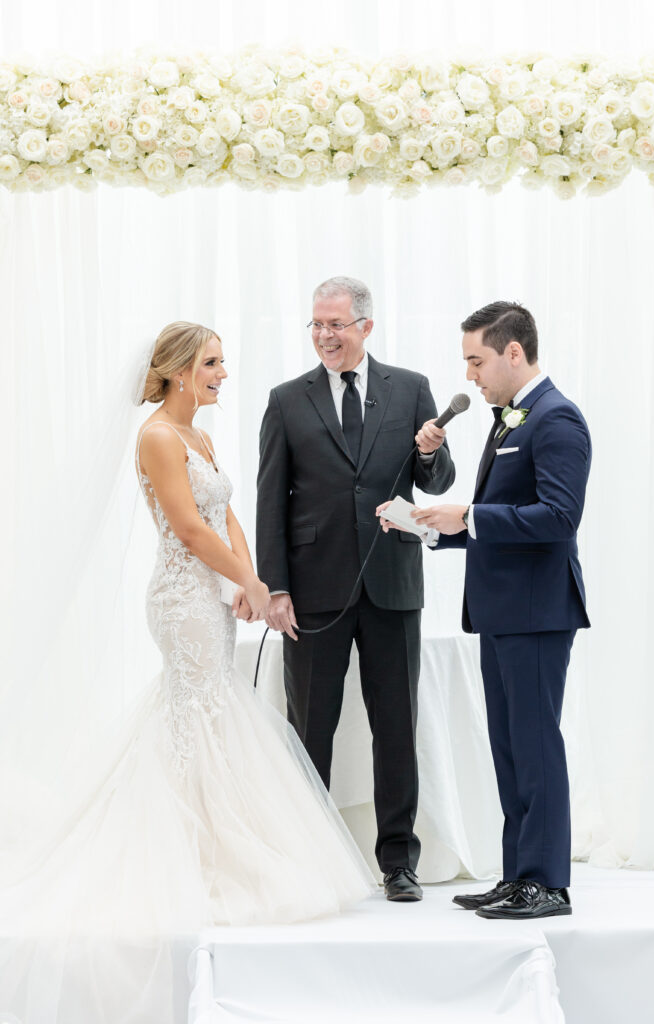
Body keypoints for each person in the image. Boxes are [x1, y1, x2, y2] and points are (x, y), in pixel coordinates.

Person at [0, 321, 374, 1024]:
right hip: (178, 600)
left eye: (222, 361)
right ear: (177, 372)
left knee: (207, 711)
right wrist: (250, 584)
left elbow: (225, 514)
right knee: (198, 710)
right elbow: (188, 527)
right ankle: (186, 858)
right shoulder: (157, 437)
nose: (222, 373)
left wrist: (247, 580)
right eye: (211, 362)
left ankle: (210, 846)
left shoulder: (198, 436)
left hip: (210, 594)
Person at [379, 301, 591, 919]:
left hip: (538, 611)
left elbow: (558, 518)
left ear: (514, 353)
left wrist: (467, 515)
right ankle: (519, 873)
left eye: (477, 360)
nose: (470, 374)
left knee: (535, 746)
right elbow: (501, 517)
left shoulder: (557, 420)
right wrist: (425, 528)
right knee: (508, 748)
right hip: (501, 611)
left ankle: (548, 883)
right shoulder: (507, 420)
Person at [256, 277, 455, 902]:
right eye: (316, 325)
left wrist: (431, 451)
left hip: (393, 582)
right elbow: (270, 501)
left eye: (335, 325)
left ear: (365, 327)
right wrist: (276, 587)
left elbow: (436, 478)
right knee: (310, 728)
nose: (324, 336)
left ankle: (399, 862)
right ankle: (308, 858)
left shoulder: (412, 388)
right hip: (312, 591)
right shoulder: (287, 399)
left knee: (396, 727)